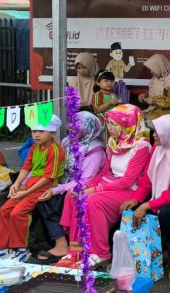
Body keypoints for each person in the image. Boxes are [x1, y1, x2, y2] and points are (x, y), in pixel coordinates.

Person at [58, 104, 152, 267]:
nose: (109, 128)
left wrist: (94, 189)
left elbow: (127, 181)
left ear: (127, 125)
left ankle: (100, 252)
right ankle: (76, 250)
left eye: (113, 124)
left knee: (92, 201)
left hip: (128, 191)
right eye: (108, 123)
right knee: (73, 195)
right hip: (109, 186)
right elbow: (104, 174)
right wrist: (83, 186)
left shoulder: (141, 146)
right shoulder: (114, 143)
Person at [120, 114, 170, 282]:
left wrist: (148, 204)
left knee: (167, 213)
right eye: (154, 131)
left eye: (158, 132)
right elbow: (148, 178)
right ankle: (140, 255)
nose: (154, 134)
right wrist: (137, 198)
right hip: (161, 193)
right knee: (129, 208)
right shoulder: (158, 147)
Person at [30, 111, 106, 264]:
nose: (71, 129)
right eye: (70, 125)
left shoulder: (95, 150)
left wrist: (56, 189)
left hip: (81, 187)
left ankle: (63, 246)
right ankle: (18, 244)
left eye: (76, 127)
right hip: (64, 183)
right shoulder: (68, 142)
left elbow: (84, 180)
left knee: (50, 199)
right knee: (35, 194)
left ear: (87, 128)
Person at [0, 115, 65, 263]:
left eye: (42, 131)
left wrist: (25, 192)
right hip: (30, 185)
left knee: (18, 213)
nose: (36, 134)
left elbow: (48, 178)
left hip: (44, 188)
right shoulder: (34, 147)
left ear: (53, 132)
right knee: (5, 210)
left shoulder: (56, 151)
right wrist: (16, 184)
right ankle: (2, 247)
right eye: (34, 130)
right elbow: (26, 167)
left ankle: (20, 249)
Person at [139, 54, 170, 125]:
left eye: (153, 69)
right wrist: (145, 96)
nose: (151, 72)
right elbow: (157, 93)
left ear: (160, 67)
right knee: (138, 118)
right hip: (157, 109)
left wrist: (154, 100)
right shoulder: (157, 77)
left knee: (146, 123)